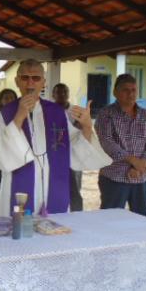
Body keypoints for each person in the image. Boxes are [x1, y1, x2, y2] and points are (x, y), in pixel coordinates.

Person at [0, 59, 111, 216]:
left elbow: (74, 145)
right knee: (21, 233)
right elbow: (2, 154)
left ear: (43, 82)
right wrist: (20, 116)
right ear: (17, 81)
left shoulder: (56, 111)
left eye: (36, 78)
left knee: (54, 230)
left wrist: (87, 126)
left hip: (53, 185)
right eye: (25, 77)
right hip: (20, 188)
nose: (30, 83)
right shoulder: (7, 112)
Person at [95, 74, 146, 217]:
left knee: (142, 219)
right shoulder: (106, 114)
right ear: (115, 93)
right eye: (125, 90)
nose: (130, 94)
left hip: (141, 177)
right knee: (110, 219)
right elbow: (106, 142)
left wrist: (142, 165)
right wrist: (133, 160)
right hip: (114, 177)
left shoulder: (145, 115)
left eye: (133, 90)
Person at [52, 83, 84, 211]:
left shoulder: (76, 111)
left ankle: (78, 216)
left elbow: (81, 130)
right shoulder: (48, 110)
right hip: (54, 156)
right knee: (55, 188)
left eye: (64, 92)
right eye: (58, 92)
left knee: (75, 190)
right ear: (53, 95)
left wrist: (76, 126)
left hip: (73, 156)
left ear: (68, 94)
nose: (62, 95)